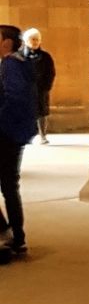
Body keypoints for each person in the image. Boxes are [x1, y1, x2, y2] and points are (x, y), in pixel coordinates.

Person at [0, 25, 35, 259]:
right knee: (10, 186)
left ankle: (8, 234)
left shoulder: (11, 64)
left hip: (6, 134)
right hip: (13, 132)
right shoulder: (19, 62)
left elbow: (15, 98)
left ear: (7, 42)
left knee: (10, 186)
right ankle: (16, 238)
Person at [22, 27, 52, 143]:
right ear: (27, 41)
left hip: (41, 89)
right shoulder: (20, 56)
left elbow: (50, 72)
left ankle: (42, 135)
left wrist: (46, 87)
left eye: (36, 39)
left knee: (42, 113)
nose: (34, 42)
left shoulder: (45, 57)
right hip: (24, 89)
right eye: (32, 39)